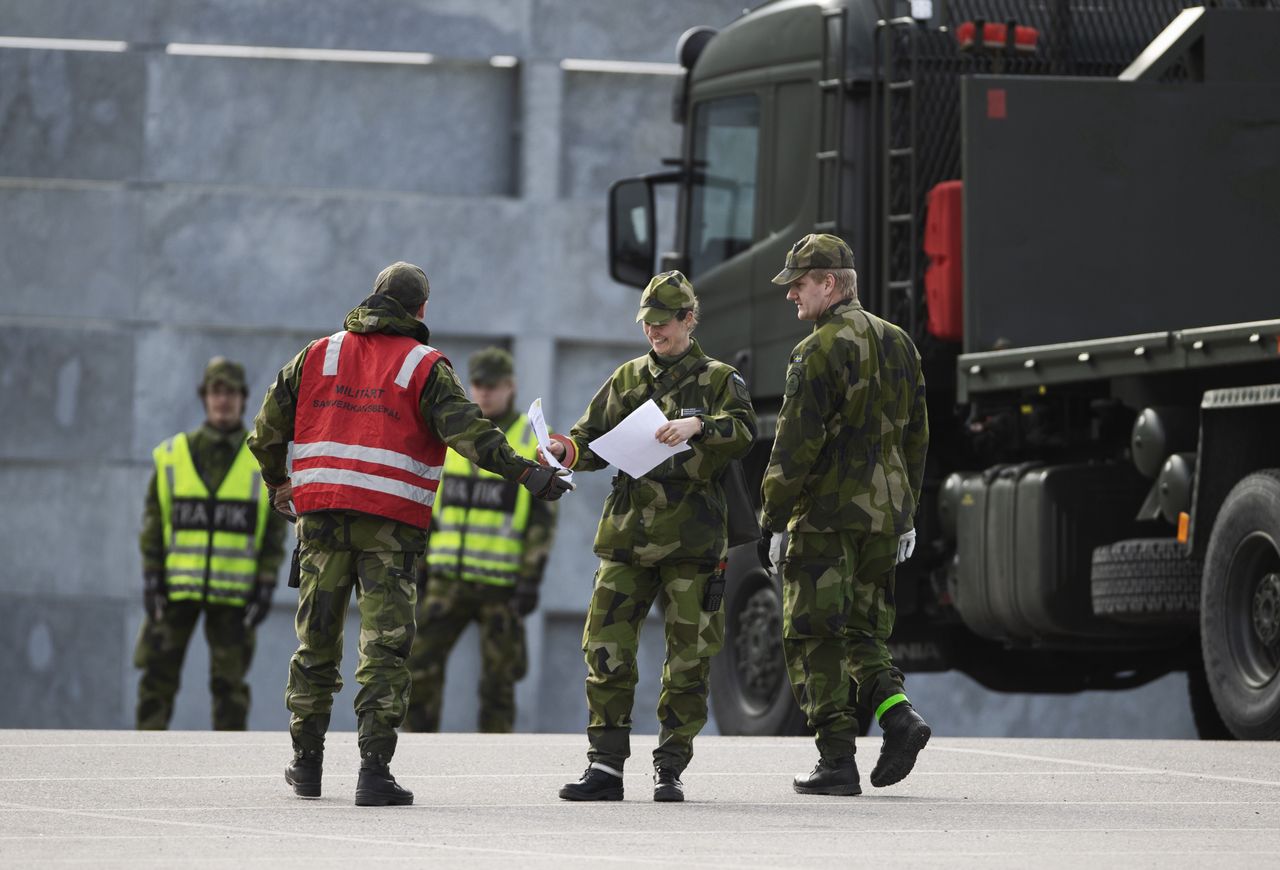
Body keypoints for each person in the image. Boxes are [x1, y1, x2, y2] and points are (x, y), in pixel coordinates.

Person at [248, 261, 571, 807]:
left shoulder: (317, 355)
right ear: (421, 310)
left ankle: (306, 767)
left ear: (373, 297)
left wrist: (280, 483)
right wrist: (528, 473)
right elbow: (470, 433)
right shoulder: (423, 366)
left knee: (315, 643)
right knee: (384, 649)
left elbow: (264, 433)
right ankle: (373, 774)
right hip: (390, 531)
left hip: (321, 521)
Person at [544, 271, 756, 803]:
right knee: (605, 649)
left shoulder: (719, 379)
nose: (653, 334)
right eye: (648, 325)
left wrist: (699, 426)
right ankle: (606, 767)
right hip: (627, 537)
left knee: (690, 658)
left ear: (689, 320)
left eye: (663, 324)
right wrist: (566, 451)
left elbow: (745, 430)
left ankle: (670, 767)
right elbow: (589, 440)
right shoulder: (627, 378)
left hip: (693, 540)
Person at [758, 233, 931, 796]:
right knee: (863, 630)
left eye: (799, 285)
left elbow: (793, 447)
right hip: (885, 516)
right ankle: (899, 716)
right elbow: (918, 438)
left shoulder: (817, 350)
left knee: (812, 632)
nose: (791, 297)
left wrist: (773, 520)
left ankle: (836, 761)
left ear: (829, 283)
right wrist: (906, 513)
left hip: (826, 519)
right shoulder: (899, 341)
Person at [405, 347, 557, 733]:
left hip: (501, 586)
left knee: (499, 683)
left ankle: (496, 761)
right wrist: (418, 566)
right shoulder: (451, 434)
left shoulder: (528, 438)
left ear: (511, 387)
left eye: (493, 386)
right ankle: (413, 752)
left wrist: (530, 578)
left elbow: (542, 520)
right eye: (478, 385)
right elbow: (426, 507)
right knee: (418, 668)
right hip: (445, 579)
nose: (485, 394)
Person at [136, 357, 288, 731]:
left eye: (231, 393)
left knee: (230, 687)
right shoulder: (172, 456)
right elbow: (154, 522)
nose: (224, 401)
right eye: (217, 392)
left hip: (233, 595)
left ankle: (227, 767)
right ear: (204, 397)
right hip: (175, 590)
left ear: (243, 399)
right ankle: (143, 757)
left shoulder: (261, 461)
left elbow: (274, 530)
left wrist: (267, 582)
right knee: (157, 680)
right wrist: (152, 575)